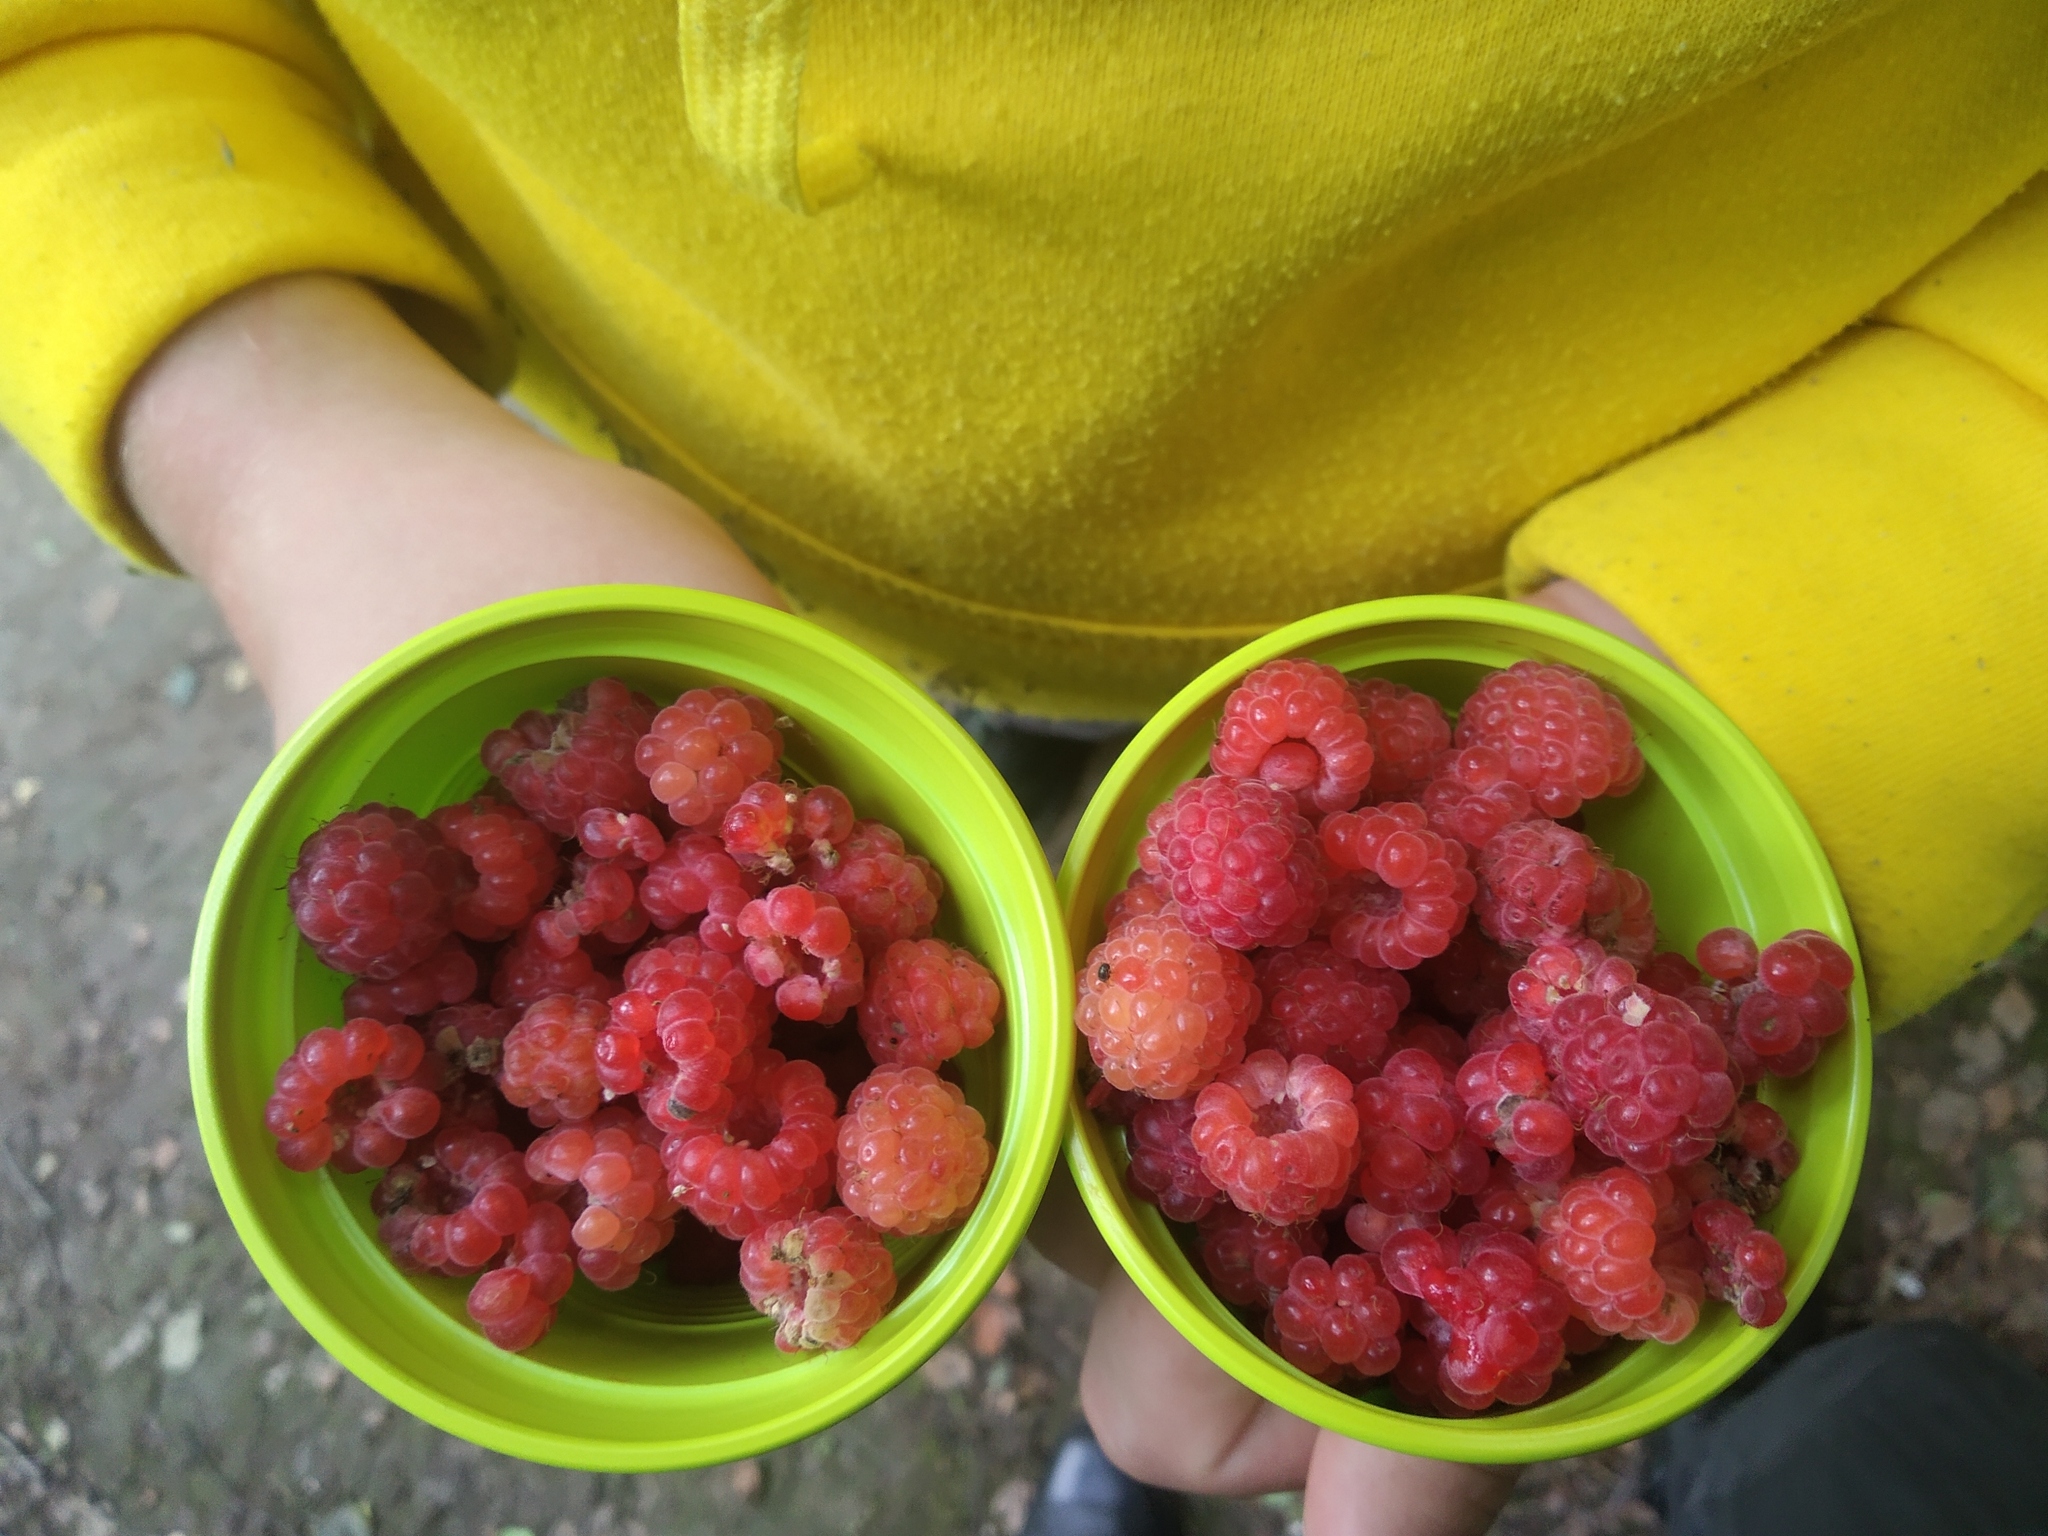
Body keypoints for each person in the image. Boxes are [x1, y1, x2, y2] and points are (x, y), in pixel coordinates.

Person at [4, 5, 2046, 1531]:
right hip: (768, 535)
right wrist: (265, 403)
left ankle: (1662, 1334)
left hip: (1648, 494)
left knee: (1618, 1212)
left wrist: (1840, 647)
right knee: (997, 851)